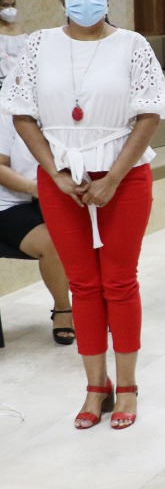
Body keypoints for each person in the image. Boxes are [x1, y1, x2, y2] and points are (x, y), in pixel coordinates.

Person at [1, 0, 165, 429]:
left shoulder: (131, 45)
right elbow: (21, 112)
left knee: (119, 280)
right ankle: (96, 386)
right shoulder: (39, 45)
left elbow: (150, 114)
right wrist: (54, 173)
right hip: (62, 180)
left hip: (124, 176)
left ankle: (129, 385)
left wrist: (114, 176)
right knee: (83, 284)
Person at [0, 113, 72, 343]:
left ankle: (103, 306)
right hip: (12, 204)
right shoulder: (6, 112)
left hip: (60, 198)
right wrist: (38, 189)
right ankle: (63, 309)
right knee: (54, 241)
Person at [0, 0, 30, 85]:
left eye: (13, 5)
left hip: (21, 81)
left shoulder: (19, 27)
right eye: (5, 5)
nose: (10, 8)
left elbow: (26, 54)